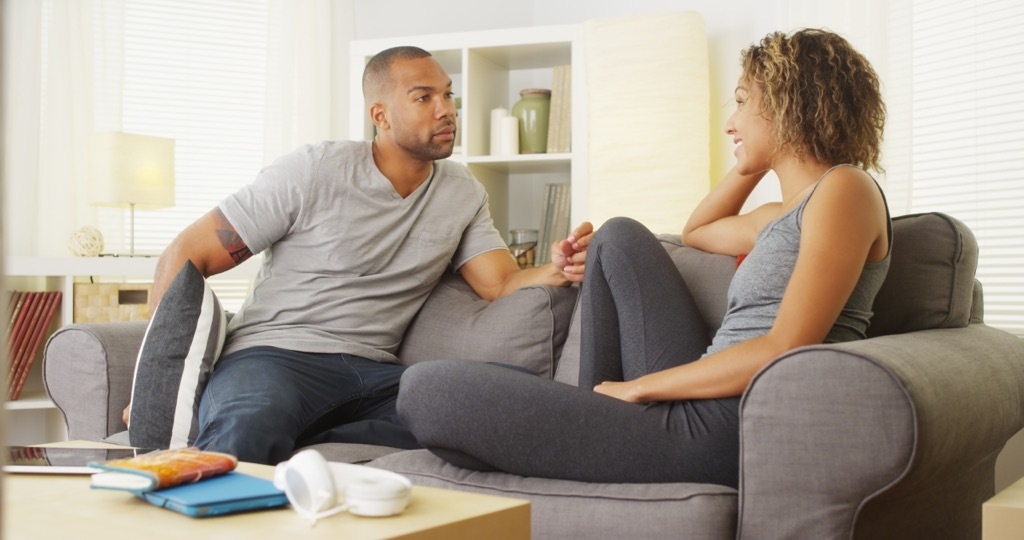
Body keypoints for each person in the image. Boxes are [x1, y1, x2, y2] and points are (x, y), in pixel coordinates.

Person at [396, 28, 891, 488]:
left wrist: (640, 388)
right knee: (619, 236)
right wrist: (752, 157)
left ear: (788, 104)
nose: (729, 122)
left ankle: (590, 425)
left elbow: (785, 346)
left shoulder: (844, 190)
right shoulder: (779, 214)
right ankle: (590, 420)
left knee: (427, 388)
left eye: (742, 102)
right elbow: (697, 232)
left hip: (725, 426)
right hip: (698, 404)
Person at [127, 45, 592, 465]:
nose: (446, 110)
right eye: (423, 97)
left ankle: (308, 431)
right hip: (274, 356)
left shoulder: (462, 191)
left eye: (449, 96)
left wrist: (557, 268)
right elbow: (187, 255)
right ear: (381, 115)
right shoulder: (314, 170)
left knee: (505, 400)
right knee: (248, 429)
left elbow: (499, 284)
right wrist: (155, 388)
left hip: (375, 373)